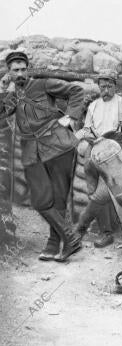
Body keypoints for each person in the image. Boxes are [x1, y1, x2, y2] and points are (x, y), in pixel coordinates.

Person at [0, 51, 85, 262]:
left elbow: (76, 91)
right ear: (8, 72)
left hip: (59, 146)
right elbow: (2, 113)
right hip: (31, 151)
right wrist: (3, 90)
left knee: (58, 199)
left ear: (27, 69)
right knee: (39, 199)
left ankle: (54, 243)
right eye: (15, 70)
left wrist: (70, 117)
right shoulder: (11, 94)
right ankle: (71, 239)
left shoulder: (44, 84)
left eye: (22, 69)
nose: (20, 73)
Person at [75, 69, 122, 247]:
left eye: (109, 86)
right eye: (102, 86)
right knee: (92, 190)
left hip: (114, 152)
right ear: (98, 87)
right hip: (94, 151)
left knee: (102, 193)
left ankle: (93, 230)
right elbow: (87, 128)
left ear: (115, 86)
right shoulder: (93, 106)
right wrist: (88, 136)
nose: (106, 90)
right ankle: (105, 231)